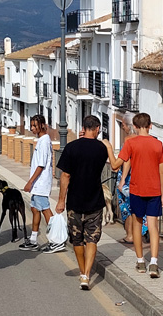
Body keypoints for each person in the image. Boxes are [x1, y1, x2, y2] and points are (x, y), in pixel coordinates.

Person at [104, 112, 163, 278]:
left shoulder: (130, 143)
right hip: (154, 190)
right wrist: (162, 194)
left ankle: (140, 261)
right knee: (153, 226)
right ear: (150, 125)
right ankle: (154, 263)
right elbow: (162, 171)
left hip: (137, 189)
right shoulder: (158, 144)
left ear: (135, 127)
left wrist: (109, 148)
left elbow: (115, 165)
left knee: (137, 225)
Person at [56, 115, 108, 290]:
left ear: (83, 128)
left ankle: (82, 272)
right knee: (92, 239)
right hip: (95, 200)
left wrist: (61, 201)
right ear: (98, 128)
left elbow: (65, 175)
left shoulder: (71, 147)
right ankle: (87, 275)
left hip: (74, 202)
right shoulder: (102, 148)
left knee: (77, 240)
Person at [19, 115, 64, 253]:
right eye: (31, 125)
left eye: (35, 125)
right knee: (35, 209)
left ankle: (56, 240)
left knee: (45, 209)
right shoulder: (41, 141)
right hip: (37, 185)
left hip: (41, 183)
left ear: (43, 125)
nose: (32, 128)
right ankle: (33, 240)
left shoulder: (44, 142)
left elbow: (41, 165)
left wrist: (30, 182)